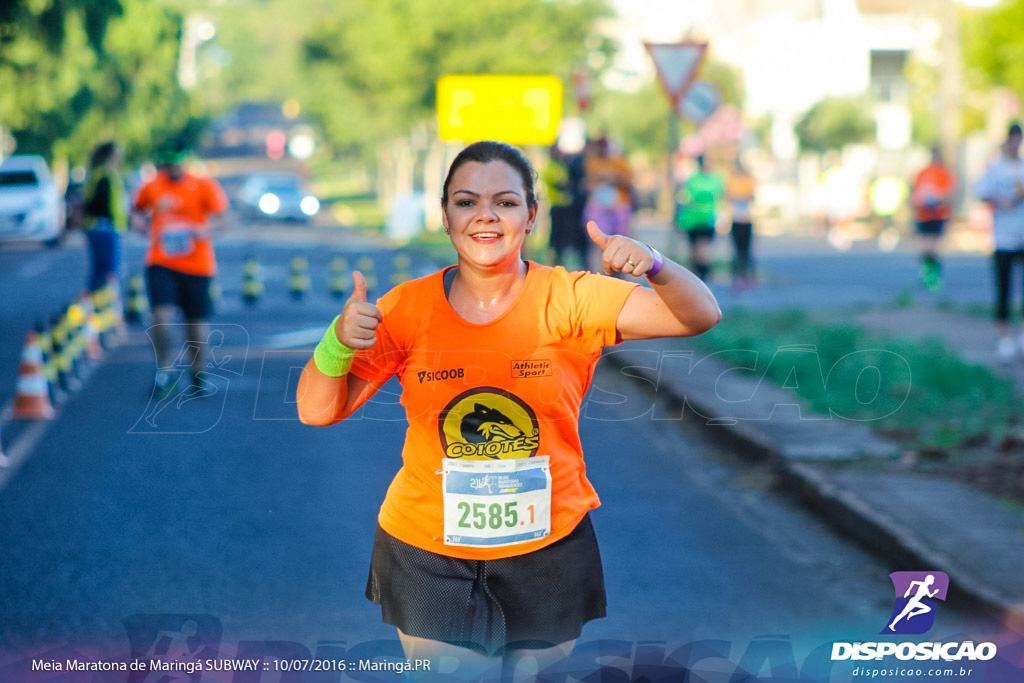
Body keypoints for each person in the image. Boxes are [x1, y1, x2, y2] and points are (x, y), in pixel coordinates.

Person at [296, 141, 721, 681]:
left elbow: (699, 314)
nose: (486, 217)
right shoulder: (406, 308)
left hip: (548, 545)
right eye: (467, 202)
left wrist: (656, 265)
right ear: (445, 216)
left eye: (505, 201)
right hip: (429, 550)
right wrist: (336, 341)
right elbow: (315, 410)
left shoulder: (570, 297)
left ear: (531, 215)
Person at [131, 140, 229, 395]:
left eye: (175, 164)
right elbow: (137, 212)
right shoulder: (152, 186)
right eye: (167, 164)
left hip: (197, 264)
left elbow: (224, 218)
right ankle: (164, 371)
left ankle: (198, 372)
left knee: (194, 323)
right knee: (161, 317)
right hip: (161, 261)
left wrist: (204, 229)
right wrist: (140, 225)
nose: (171, 169)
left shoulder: (203, 185)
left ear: (184, 162)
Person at [974, 122, 1024, 365]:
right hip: (1003, 237)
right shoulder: (996, 168)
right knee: (1004, 289)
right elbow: (981, 191)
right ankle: (1004, 338)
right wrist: (999, 199)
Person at [82, 141, 128, 292]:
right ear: (110, 155)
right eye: (117, 153)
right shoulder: (104, 174)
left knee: (100, 270)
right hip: (104, 227)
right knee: (107, 270)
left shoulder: (99, 173)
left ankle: (96, 304)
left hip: (101, 227)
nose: (120, 156)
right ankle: (100, 306)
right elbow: (99, 202)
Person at [582, 137, 633, 270]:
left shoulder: (619, 162)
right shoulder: (591, 162)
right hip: (598, 207)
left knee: (622, 243)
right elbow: (587, 182)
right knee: (597, 242)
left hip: (618, 206)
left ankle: (621, 274)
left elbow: (628, 182)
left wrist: (612, 177)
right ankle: (599, 275)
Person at [910, 146, 956, 291]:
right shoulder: (923, 173)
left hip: (938, 214)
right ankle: (925, 274)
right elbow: (915, 193)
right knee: (925, 247)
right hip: (924, 215)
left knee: (936, 248)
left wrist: (938, 199)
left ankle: (934, 277)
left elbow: (949, 195)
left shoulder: (944, 174)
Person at [675, 154, 725, 281]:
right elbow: (720, 199)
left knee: (696, 248)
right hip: (707, 219)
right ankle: (703, 271)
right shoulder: (715, 180)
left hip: (693, 219)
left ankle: (700, 272)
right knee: (704, 248)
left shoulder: (692, 180)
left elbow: (684, 199)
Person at [540, 145, 587, 268]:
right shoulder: (550, 168)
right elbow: (561, 183)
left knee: (570, 235)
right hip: (557, 207)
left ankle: (566, 262)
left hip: (568, 207)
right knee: (557, 238)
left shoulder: (562, 166)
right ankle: (557, 263)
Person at [725, 158, 756, 289]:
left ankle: (745, 276)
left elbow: (751, 196)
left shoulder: (747, 181)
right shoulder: (734, 182)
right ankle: (738, 277)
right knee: (738, 251)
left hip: (745, 219)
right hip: (737, 219)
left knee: (745, 251)